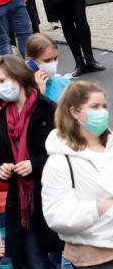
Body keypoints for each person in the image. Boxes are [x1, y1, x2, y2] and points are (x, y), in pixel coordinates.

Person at [0, 55, 61, 269]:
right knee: (34, 264)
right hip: (22, 207)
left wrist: (34, 165)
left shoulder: (47, 109)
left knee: (65, 260)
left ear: (18, 76)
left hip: (51, 197)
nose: (0, 86)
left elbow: (67, 155)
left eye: (3, 80)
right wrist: (3, 169)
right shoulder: (1, 119)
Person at [42, 81, 113, 268]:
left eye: (104, 107)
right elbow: (57, 215)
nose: (102, 112)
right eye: (95, 107)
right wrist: (101, 207)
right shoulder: (59, 161)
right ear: (74, 112)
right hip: (95, 258)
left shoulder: (111, 146)